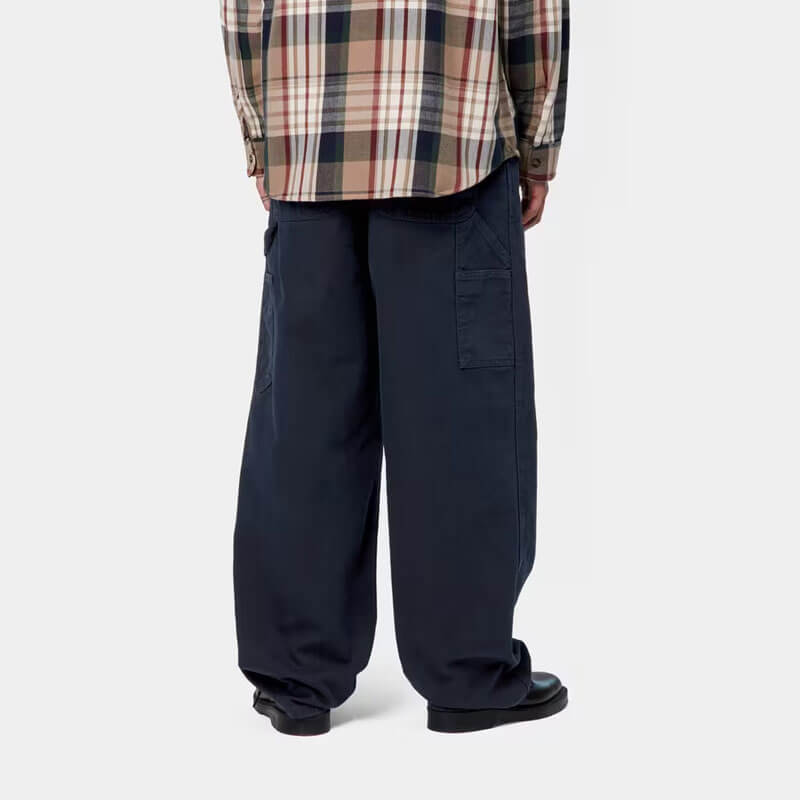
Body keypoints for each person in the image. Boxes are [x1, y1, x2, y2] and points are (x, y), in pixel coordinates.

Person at [221, 0, 569, 735]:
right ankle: (467, 672)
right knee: (460, 419)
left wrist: (263, 132)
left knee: (306, 419)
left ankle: (296, 679)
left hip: (310, 133)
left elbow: (243, 8)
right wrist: (536, 141)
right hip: (450, 129)